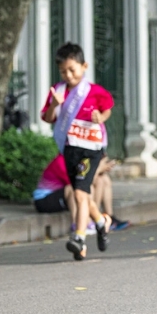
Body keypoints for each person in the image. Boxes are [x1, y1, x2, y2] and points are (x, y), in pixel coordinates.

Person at [41, 43, 114, 261]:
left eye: (72, 69)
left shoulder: (94, 91)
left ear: (84, 66)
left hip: (91, 150)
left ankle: (79, 237)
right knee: (81, 193)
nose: (68, 75)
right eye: (63, 71)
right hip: (70, 149)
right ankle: (101, 222)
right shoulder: (58, 91)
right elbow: (47, 118)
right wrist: (54, 105)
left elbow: (107, 110)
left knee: (80, 194)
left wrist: (100, 117)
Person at [33, 154, 129, 230]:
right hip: (44, 200)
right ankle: (77, 224)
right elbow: (79, 184)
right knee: (75, 189)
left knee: (102, 179)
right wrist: (99, 169)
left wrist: (100, 170)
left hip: (62, 195)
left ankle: (105, 217)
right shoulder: (61, 161)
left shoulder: (77, 160)